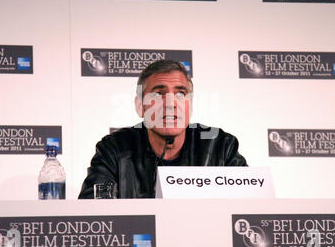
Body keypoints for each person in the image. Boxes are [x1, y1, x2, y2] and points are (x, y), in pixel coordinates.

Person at [78, 60, 247, 199]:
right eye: (159, 94)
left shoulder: (220, 146)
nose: (171, 104)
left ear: (190, 105)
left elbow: (250, 204)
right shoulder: (115, 148)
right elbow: (94, 210)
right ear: (140, 106)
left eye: (180, 94)